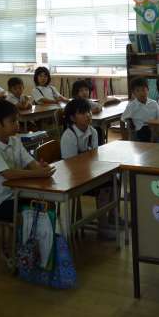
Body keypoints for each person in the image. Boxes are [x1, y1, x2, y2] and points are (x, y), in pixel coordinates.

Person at [0, 100, 55, 223]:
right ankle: (30, 235)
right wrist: (37, 173)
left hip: (17, 194)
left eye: (17, 120)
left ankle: (44, 234)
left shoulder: (15, 141)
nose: (17, 124)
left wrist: (41, 168)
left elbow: (30, 162)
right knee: (30, 214)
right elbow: (8, 174)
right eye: (13, 121)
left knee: (48, 202)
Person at [60, 98, 115, 240]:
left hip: (89, 173)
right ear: (72, 118)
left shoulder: (93, 132)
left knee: (114, 179)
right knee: (104, 186)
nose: (88, 115)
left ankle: (113, 216)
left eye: (89, 112)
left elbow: (95, 156)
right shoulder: (69, 136)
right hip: (74, 179)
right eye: (82, 113)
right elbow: (69, 165)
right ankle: (103, 226)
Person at [121, 78, 159, 142]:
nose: (141, 93)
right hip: (139, 132)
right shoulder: (131, 106)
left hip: (153, 130)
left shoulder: (154, 103)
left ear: (148, 90)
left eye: (143, 90)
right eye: (137, 91)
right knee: (144, 130)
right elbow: (123, 119)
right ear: (134, 93)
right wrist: (128, 133)